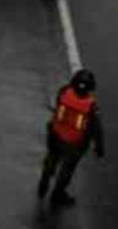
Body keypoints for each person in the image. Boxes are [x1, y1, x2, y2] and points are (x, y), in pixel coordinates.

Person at [37, 69, 105, 207]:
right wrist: (99, 147)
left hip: (56, 136)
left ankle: (43, 183)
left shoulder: (64, 92)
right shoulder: (91, 106)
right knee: (67, 169)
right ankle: (57, 195)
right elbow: (96, 129)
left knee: (51, 159)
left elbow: (58, 107)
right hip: (74, 144)